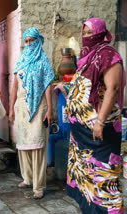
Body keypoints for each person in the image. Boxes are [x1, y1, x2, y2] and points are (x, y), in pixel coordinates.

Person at [66, 18, 126, 213]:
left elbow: (113, 88)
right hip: (82, 134)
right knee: (87, 175)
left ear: (100, 33)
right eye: (84, 32)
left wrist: (99, 122)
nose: (86, 36)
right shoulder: (88, 57)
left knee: (103, 175)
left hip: (99, 129)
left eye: (90, 32)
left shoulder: (108, 54)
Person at [9, 28, 54, 199]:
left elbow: (48, 85)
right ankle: (27, 178)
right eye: (26, 41)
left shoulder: (43, 60)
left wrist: (50, 109)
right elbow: (15, 86)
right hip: (21, 107)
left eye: (31, 40)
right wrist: (11, 107)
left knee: (38, 145)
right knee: (23, 145)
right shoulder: (21, 59)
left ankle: (39, 185)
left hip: (39, 106)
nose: (28, 44)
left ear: (38, 40)